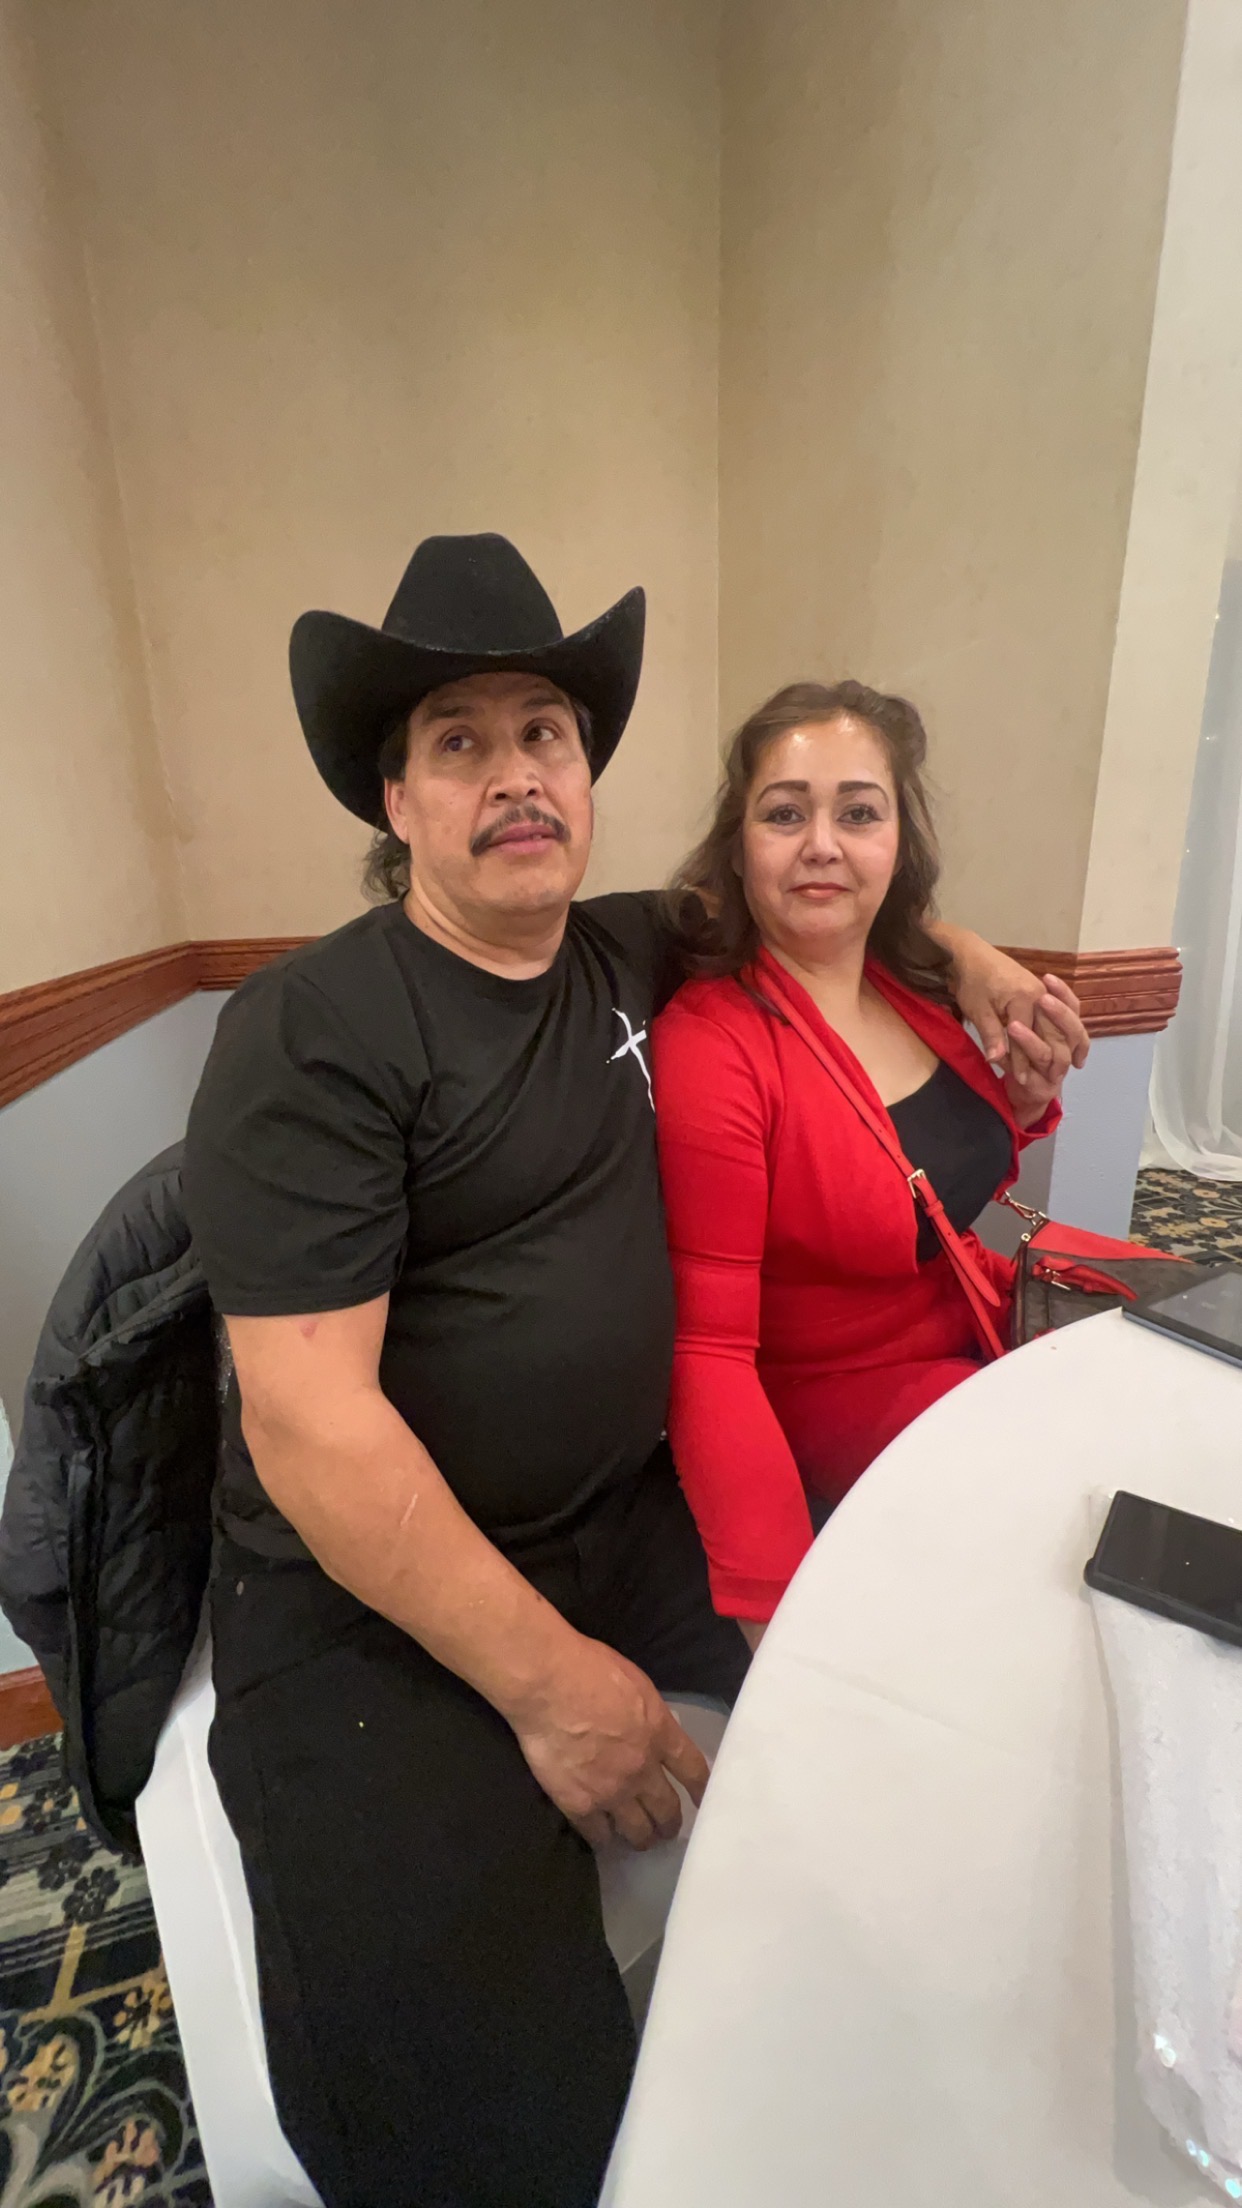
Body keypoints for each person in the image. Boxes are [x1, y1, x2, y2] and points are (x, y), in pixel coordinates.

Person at [182, 540, 1082, 2208]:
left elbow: (822, 886)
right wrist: (551, 1687)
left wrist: (964, 953)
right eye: (461, 741)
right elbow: (309, 1428)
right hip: (369, 1598)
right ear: (395, 799)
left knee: (901, 1762)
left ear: (587, 776)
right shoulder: (312, 1028)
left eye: (546, 734)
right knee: (480, 2109)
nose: (516, 774)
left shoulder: (621, 948)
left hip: (626, 1512)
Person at [653, 680, 1087, 1648]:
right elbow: (708, 1356)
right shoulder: (715, 1046)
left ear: (898, 841)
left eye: (858, 813)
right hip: (848, 1395)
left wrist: (1020, 1105)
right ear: (739, 847)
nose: (823, 844)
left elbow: (915, 1181)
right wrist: (776, 1624)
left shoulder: (915, 987)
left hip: (979, 1327)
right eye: (785, 814)